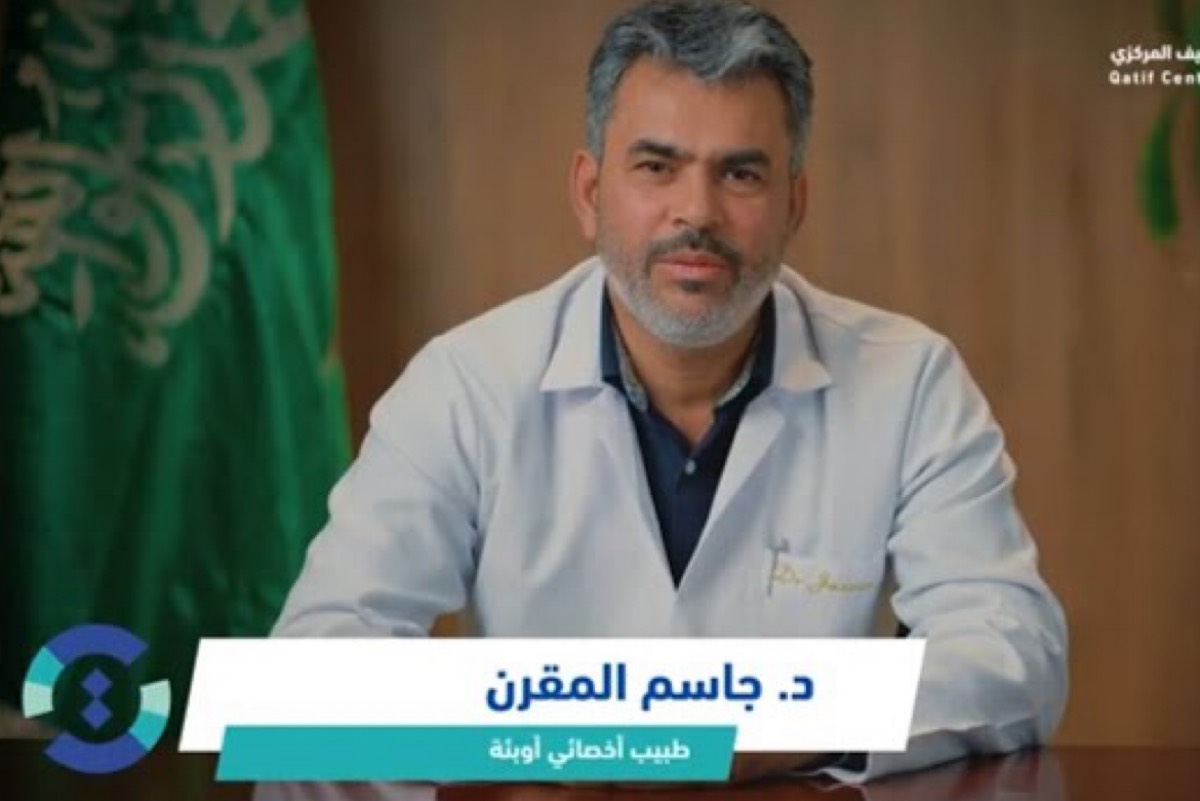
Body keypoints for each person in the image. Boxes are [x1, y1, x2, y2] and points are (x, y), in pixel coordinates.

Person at [272, 0, 1068, 784]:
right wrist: (558, 742)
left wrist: (769, 723)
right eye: (657, 166)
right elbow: (315, 666)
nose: (697, 212)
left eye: (741, 173)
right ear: (589, 192)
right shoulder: (465, 385)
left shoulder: (910, 380)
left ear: (793, 203)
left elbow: (1013, 651)